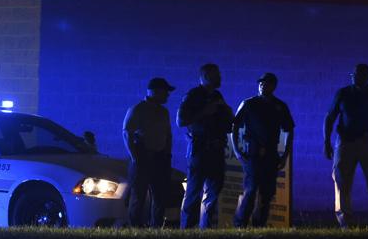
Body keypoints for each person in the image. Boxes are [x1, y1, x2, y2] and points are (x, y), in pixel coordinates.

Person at [324, 63, 368, 228]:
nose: (354, 77)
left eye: (358, 74)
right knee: (341, 181)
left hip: (367, 143)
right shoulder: (344, 93)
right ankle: (345, 222)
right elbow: (329, 118)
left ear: (367, 76)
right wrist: (326, 141)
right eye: (353, 74)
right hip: (346, 142)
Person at [232, 73, 295, 228]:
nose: (262, 86)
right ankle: (240, 225)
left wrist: (285, 155)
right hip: (252, 154)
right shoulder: (249, 104)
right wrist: (237, 151)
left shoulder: (279, 106)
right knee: (251, 190)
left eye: (266, 84)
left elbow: (289, 130)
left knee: (266, 193)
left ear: (273, 86)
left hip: (271, 154)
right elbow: (234, 127)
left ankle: (258, 226)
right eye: (261, 83)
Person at [177, 63, 234, 229]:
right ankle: (187, 232)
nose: (221, 78)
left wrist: (228, 114)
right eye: (217, 75)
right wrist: (204, 112)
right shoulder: (193, 95)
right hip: (199, 151)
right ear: (207, 76)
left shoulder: (217, 96)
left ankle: (205, 231)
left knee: (213, 194)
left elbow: (227, 122)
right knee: (193, 194)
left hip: (216, 151)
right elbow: (180, 121)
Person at [123, 77, 176, 228]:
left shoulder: (163, 112)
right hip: (143, 157)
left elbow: (168, 134)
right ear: (155, 92)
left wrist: (167, 155)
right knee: (138, 196)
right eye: (165, 92)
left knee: (159, 197)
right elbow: (127, 133)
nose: (167, 95)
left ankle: (155, 229)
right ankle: (135, 230)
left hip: (160, 158)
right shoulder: (137, 109)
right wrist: (134, 157)